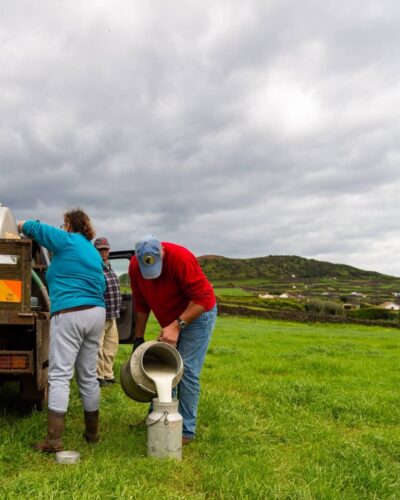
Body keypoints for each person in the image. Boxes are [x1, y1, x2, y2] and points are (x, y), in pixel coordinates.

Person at [18, 209, 106, 452]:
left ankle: (54, 441)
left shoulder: (68, 240)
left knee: (59, 375)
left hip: (70, 313)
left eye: (64, 223)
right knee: (88, 375)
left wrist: (21, 223)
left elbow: (37, 229)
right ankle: (92, 433)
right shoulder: (91, 251)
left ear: (69, 224)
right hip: (96, 312)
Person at [129, 234, 217, 445]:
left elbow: (203, 299)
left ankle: (185, 431)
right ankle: (157, 418)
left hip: (197, 315)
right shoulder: (134, 267)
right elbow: (141, 304)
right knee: (162, 365)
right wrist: (138, 338)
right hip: (171, 319)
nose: (153, 277)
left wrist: (176, 326)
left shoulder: (181, 258)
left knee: (185, 370)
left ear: (163, 253)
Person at [94, 237, 122, 387]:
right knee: (97, 347)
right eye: (100, 250)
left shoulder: (109, 266)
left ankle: (108, 374)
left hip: (112, 315)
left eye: (105, 249)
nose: (103, 252)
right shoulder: (94, 266)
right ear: (95, 251)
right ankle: (98, 377)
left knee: (111, 346)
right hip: (100, 314)